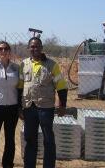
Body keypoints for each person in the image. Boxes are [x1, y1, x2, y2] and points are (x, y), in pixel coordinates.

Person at [18, 37, 68, 168]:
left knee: (48, 140)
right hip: (29, 108)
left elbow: (61, 87)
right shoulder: (23, 65)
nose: (34, 49)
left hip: (45, 108)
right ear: (28, 48)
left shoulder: (52, 65)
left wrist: (63, 105)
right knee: (30, 140)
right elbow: (19, 87)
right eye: (32, 46)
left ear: (41, 48)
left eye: (37, 46)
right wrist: (19, 107)